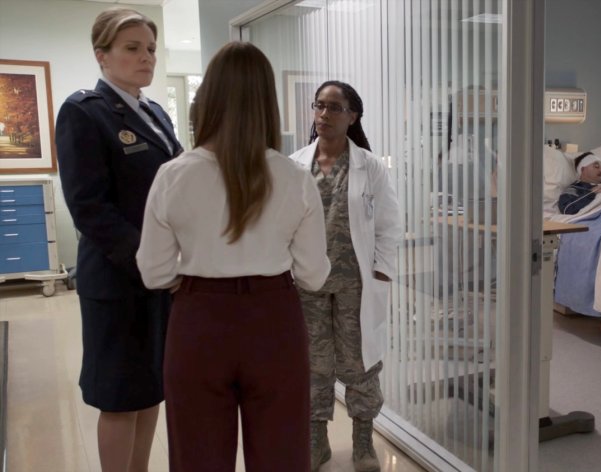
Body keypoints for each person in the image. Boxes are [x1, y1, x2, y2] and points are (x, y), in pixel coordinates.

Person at [136, 42, 330, 471]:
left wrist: (199, 279)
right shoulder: (295, 178)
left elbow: (153, 272)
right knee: (282, 453)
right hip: (274, 322)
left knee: (197, 455)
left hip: (198, 322)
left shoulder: (173, 175)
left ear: (208, 98)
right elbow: (314, 276)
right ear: (267, 102)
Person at [54, 9, 182, 472]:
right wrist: (150, 261)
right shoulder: (83, 112)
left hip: (160, 277)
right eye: (132, 48)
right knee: (118, 396)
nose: (146, 57)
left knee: (151, 389)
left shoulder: (154, 113)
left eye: (150, 48)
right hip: (117, 278)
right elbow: (89, 207)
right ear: (101, 55)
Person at [290, 81, 400, 472]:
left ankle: (363, 440)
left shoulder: (369, 166)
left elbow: (389, 222)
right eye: (319, 106)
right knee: (313, 362)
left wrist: (382, 270)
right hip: (308, 283)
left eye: (334, 108)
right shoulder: (295, 163)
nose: (323, 114)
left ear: (352, 116)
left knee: (359, 361)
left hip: (356, 281)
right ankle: (316, 439)